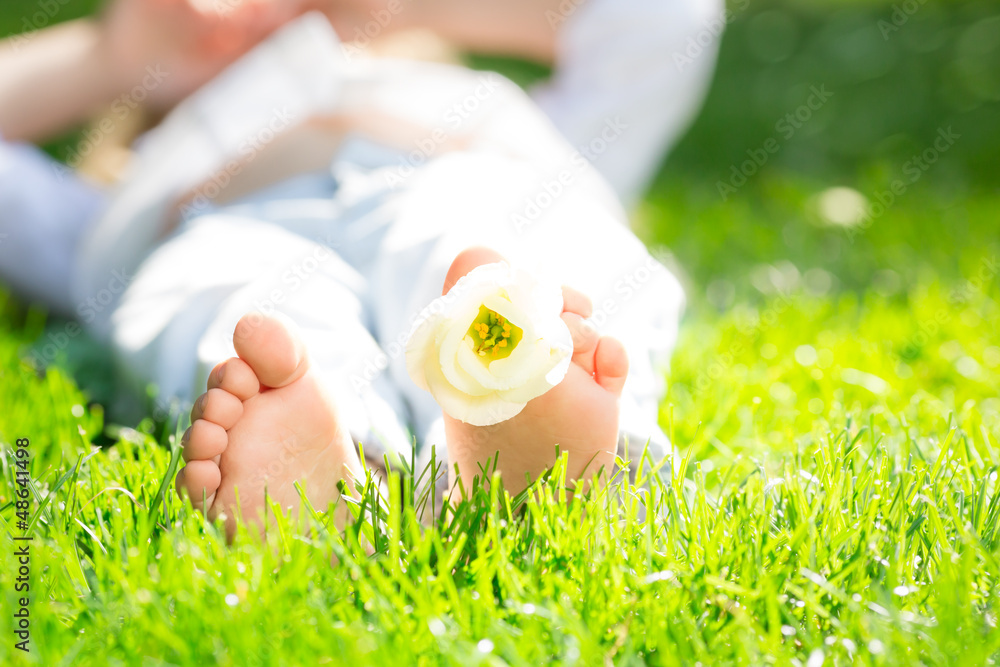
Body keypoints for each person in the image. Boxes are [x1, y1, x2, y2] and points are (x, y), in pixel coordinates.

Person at [0, 5, 689, 531]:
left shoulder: (482, 115)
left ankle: (517, 425)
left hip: (462, 173)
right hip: (224, 217)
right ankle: (336, 461)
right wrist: (116, 55)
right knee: (244, 313)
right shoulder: (128, 189)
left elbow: (662, 20)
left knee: (502, 264)